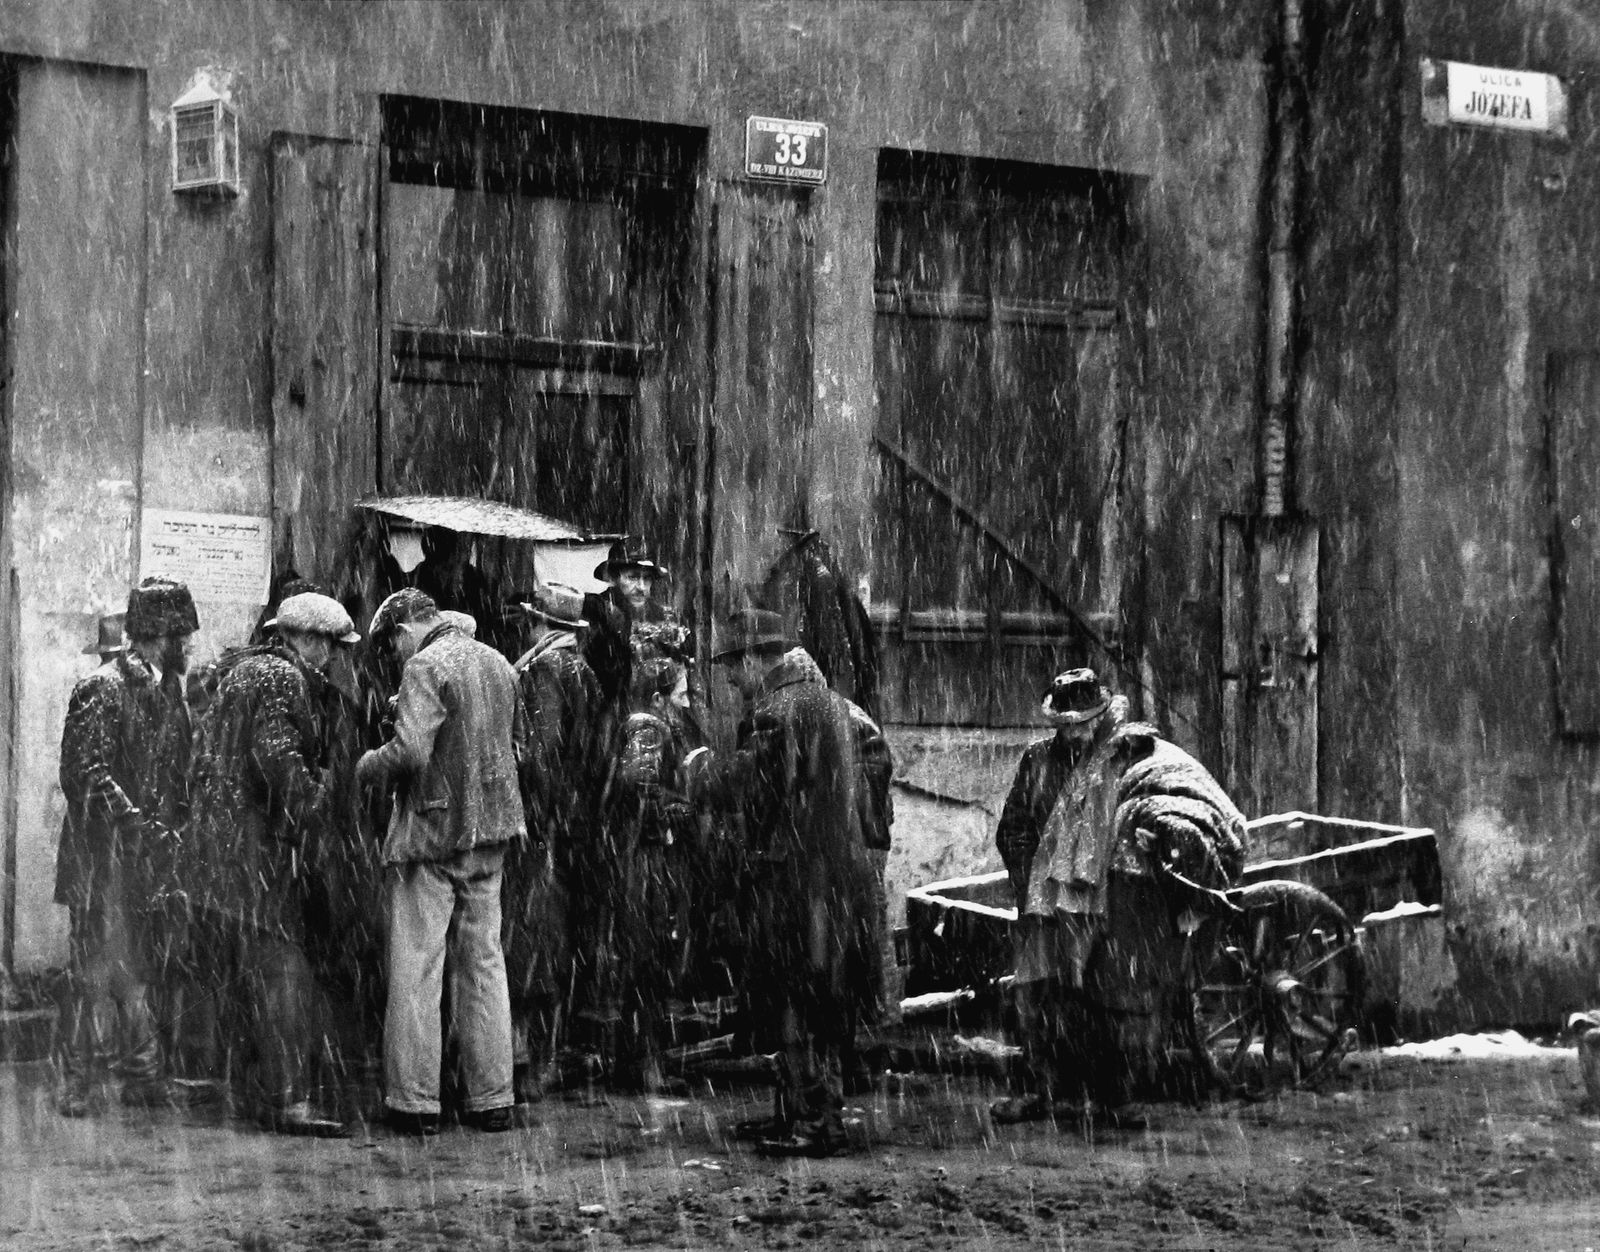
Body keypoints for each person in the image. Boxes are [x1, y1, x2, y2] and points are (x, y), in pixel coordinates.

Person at [991, 668, 1247, 1127]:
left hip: (1112, 897)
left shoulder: (1130, 757)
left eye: (1084, 722)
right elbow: (1013, 829)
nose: (1075, 732)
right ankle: (1042, 1089)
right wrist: (1032, 881)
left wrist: (1155, 840)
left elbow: (1169, 798)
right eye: (1066, 724)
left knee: (1120, 997)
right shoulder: (1037, 761)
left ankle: (1120, 1097)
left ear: (1102, 715)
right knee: (1038, 994)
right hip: (1048, 901)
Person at [685, 609, 878, 1156]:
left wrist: (697, 768)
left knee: (795, 999)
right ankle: (808, 1114)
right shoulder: (833, 703)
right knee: (825, 999)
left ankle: (813, 1124)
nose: (730, 680)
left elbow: (749, 787)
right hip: (839, 877)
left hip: (797, 880)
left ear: (754, 660)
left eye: (731, 668)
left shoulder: (774, 713)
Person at [184, 592, 361, 1137]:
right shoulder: (280, 679)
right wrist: (321, 794)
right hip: (253, 851)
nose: (332, 659)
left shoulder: (241, 670)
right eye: (331, 647)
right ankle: (286, 1099)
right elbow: (278, 760)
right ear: (306, 640)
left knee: (240, 973)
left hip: (220, 851)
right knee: (284, 972)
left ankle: (245, 1090)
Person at [355, 588, 523, 1135]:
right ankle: (493, 1098)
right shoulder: (498, 663)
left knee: (417, 967)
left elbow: (410, 753)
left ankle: (414, 1103)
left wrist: (365, 765)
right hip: (492, 833)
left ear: (406, 629)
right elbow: (510, 747)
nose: (394, 656)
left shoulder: (424, 666)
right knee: (485, 966)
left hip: (433, 834)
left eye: (390, 645)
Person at [54, 577, 205, 1116]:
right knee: (95, 972)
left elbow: (177, 778)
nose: (189, 644)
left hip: (143, 860)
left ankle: (143, 1073)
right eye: (183, 635)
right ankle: (77, 1080)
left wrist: (179, 830)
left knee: (138, 968)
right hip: (102, 860)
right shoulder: (102, 688)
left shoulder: (171, 695)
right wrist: (139, 828)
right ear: (159, 635)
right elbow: (84, 774)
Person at [504, 582, 600, 1097]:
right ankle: (545, 1053)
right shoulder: (582, 672)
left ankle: (529, 1060)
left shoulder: (544, 672)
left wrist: (533, 810)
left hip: (544, 826)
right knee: (555, 940)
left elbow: (541, 756)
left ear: (539, 623)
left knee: (532, 939)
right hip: (573, 821)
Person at [605, 656, 696, 1092]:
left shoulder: (656, 728)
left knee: (649, 962)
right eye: (681, 694)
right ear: (659, 698)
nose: (688, 702)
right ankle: (643, 1065)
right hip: (646, 859)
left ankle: (641, 1061)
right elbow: (636, 787)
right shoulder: (651, 728)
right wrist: (678, 806)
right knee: (646, 962)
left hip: (648, 855)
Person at [411, 527, 507, 655]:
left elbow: (486, 620)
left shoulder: (474, 579)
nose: (467, 551)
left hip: (469, 650)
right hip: (432, 650)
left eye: (468, 545)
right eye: (463, 546)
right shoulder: (420, 578)